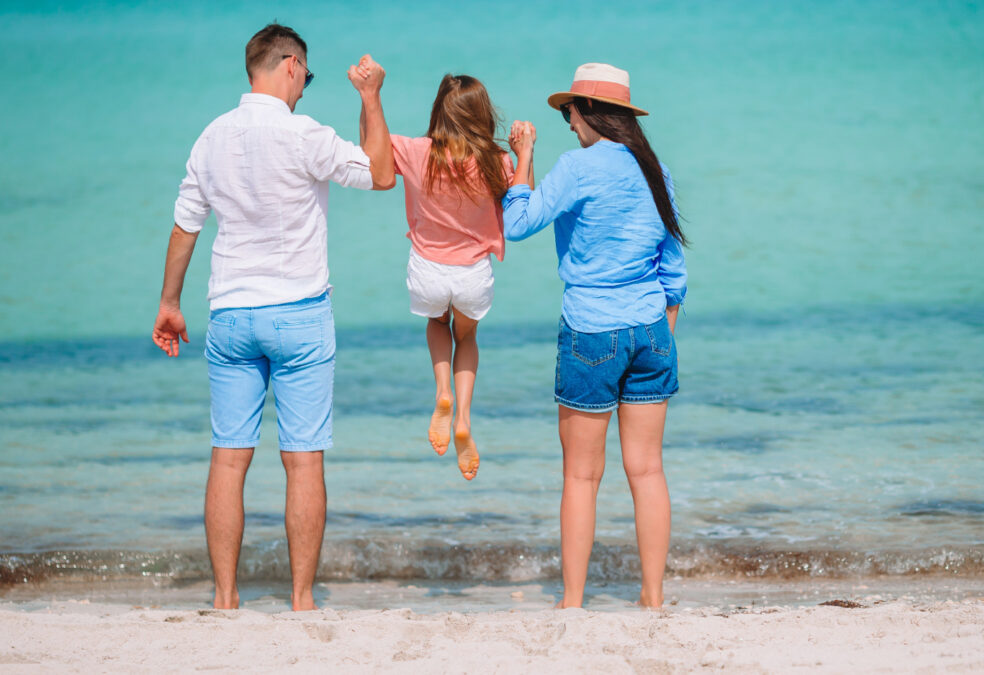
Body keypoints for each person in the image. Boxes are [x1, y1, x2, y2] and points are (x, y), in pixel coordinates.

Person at [150, 23, 394, 611]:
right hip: (299, 314)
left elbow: (187, 227)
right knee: (303, 459)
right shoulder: (302, 134)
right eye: (306, 76)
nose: (306, 87)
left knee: (229, 457)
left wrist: (170, 303)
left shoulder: (211, 137)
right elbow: (382, 173)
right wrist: (369, 97)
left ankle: (227, 597)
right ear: (290, 65)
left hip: (231, 314)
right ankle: (303, 600)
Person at [503, 63, 687, 609]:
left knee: (582, 476)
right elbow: (673, 269)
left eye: (568, 111)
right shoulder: (656, 169)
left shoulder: (577, 167)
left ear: (587, 112)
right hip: (652, 330)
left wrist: (523, 161)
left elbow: (518, 223)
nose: (566, 122)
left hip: (592, 331)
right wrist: (663, 335)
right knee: (648, 469)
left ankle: (573, 600)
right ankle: (652, 597)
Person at [389, 75, 529, 480]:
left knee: (438, 323)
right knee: (466, 337)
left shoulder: (417, 152)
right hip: (472, 274)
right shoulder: (497, 162)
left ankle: (442, 394)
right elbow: (522, 203)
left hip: (428, 269)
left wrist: (369, 98)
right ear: (483, 116)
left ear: (438, 113)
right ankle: (463, 417)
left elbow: (374, 146)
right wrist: (525, 152)